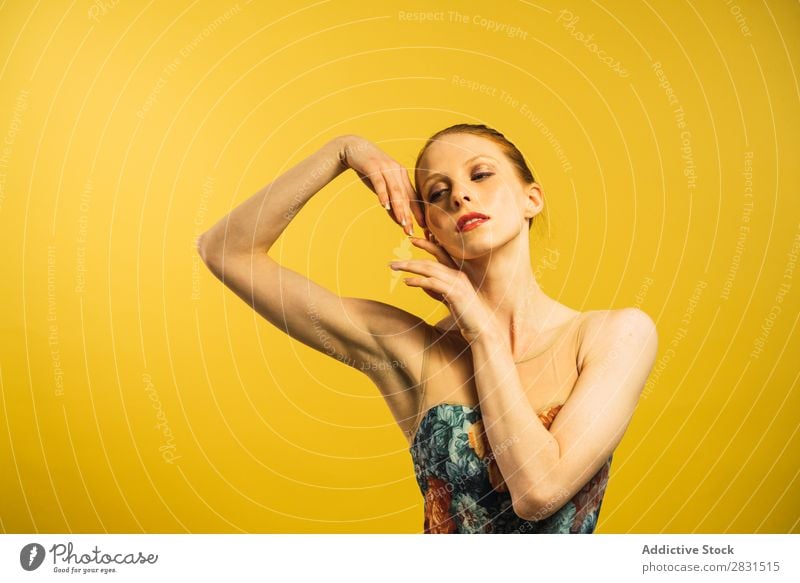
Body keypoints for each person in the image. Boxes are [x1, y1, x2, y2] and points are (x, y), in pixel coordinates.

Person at [197, 123, 658, 534]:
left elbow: (538, 493)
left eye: (481, 175)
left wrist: (484, 333)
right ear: (430, 228)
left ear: (530, 198)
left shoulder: (616, 336)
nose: (460, 195)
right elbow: (224, 251)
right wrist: (342, 150)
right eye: (438, 193)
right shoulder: (405, 348)